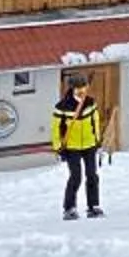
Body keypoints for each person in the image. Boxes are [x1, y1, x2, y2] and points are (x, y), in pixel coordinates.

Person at [50, 74, 104, 220]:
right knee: (75, 177)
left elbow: (96, 123)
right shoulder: (62, 107)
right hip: (71, 147)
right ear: (72, 89)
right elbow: (56, 129)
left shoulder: (91, 103)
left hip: (89, 145)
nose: (81, 90)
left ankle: (93, 206)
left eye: (83, 87)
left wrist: (98, 142)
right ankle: (69, 208)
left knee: (92, 175)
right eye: (78, 87)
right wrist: (58, 148)